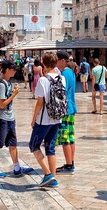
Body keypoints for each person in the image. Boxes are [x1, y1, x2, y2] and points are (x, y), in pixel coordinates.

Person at [0, 60, 34, 177]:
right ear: (7, 70)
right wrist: (14, 95)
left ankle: (17, 167)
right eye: (13, 69)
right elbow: (2, 104)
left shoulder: (8, 83)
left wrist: (13, 93)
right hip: (2, 118)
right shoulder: (1, 85)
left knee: (13, 143)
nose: (15, 71)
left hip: (10, 118)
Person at [29, 52, 65, 187]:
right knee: (50, 148)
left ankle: (47, 174)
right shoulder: (62, 78)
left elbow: (40, 102)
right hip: (57, 118)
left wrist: (33, 120)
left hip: (44, 119)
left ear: (44, 63)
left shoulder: (43, 80)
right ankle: (53, 179)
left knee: (33, 145)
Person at [55, 52, 78, 174]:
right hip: (71, 107)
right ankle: (71, 162)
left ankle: (69, 165)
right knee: (70, 137)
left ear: (63, 60)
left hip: (65, 109)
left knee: (65, 138)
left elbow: (61, 92)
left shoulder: (64, 73)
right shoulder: (70, 72)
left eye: (57, 60)